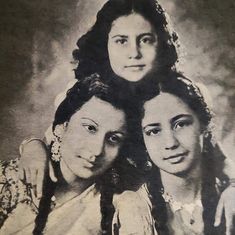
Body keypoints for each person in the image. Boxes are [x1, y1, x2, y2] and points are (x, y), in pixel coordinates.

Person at [18, 0, 235, 232]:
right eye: (121, 41)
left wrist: (232, 187)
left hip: (161, 208)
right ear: (105, 45)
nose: (134, 53)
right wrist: (32, 146)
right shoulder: (87, 94)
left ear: (160, 44)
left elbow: (216, 157)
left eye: (145, 40)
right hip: (98, 206)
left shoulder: (175, 94)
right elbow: (58, 144)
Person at [0, 74, 151, 234]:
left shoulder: (122, 205)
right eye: (90, 128)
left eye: (113, 138)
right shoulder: (13, 179)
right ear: (61, 127)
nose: (97, 150)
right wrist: (33, 143)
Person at [136, 73, 235, 234]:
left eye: (180, 124)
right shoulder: (134, 209)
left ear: (204, 126)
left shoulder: (230, 197)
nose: (170, 143)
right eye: (154, 131)